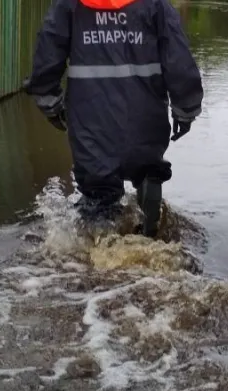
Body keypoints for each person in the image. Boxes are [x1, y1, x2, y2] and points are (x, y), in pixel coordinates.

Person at [23, 0, 204, 238]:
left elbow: (48, 54)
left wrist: (50, 104)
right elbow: (178, 60)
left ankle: (99, 253)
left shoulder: (69, 6)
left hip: (90, 122)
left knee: (98, 195)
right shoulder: (156, 6)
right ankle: (151, 233)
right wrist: (186, 109)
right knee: (148, 170)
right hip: (145, 119)